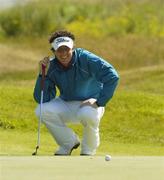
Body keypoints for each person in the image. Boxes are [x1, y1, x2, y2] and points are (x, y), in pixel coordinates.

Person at [33, 30, 119, 156]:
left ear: (73, 47)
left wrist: (99, 101)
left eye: (66, 49)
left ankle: (88, 150)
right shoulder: (51, 66)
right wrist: (42, 75)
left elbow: (112, 76)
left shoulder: (86, 58)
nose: (63, 54)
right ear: (53, 51)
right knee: (41, 110)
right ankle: (68, 143)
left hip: (91, 104)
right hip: (67, 104)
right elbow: (43, 98)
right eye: (59, 50)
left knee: (88, 114)